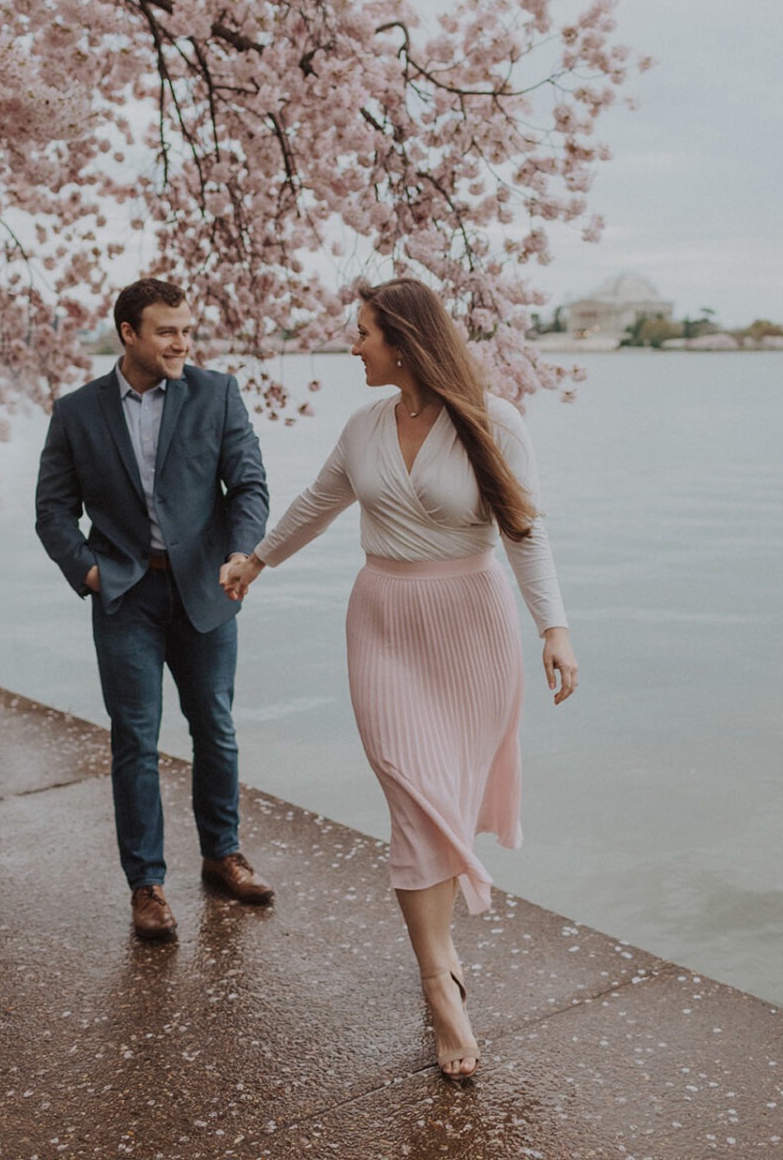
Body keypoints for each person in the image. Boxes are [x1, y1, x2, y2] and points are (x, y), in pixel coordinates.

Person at [220, 278, 577, 1080]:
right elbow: (317, 502)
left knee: (442, 802)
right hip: (384, 623)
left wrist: (553, 628)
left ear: (404, 343)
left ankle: (440, 953)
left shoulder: (492, 420)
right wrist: (256, 561)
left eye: (364, 333)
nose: (353, 346)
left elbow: (523, 530)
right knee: (412, 790)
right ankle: (439, 986)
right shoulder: (363, 426)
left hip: (472, 630)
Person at [35, 278, 272, 940]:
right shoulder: (77, 412)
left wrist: (242, 552)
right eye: (167, 331)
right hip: (125, 596)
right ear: (129, 334)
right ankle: (147, 886)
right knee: (135, 739)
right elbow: (53, 509)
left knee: (215, 727)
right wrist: (87, 570)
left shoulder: (217, 394)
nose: (182, 343)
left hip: (206, 589)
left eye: (188, 330)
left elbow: (248, 486)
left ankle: (223, 854)